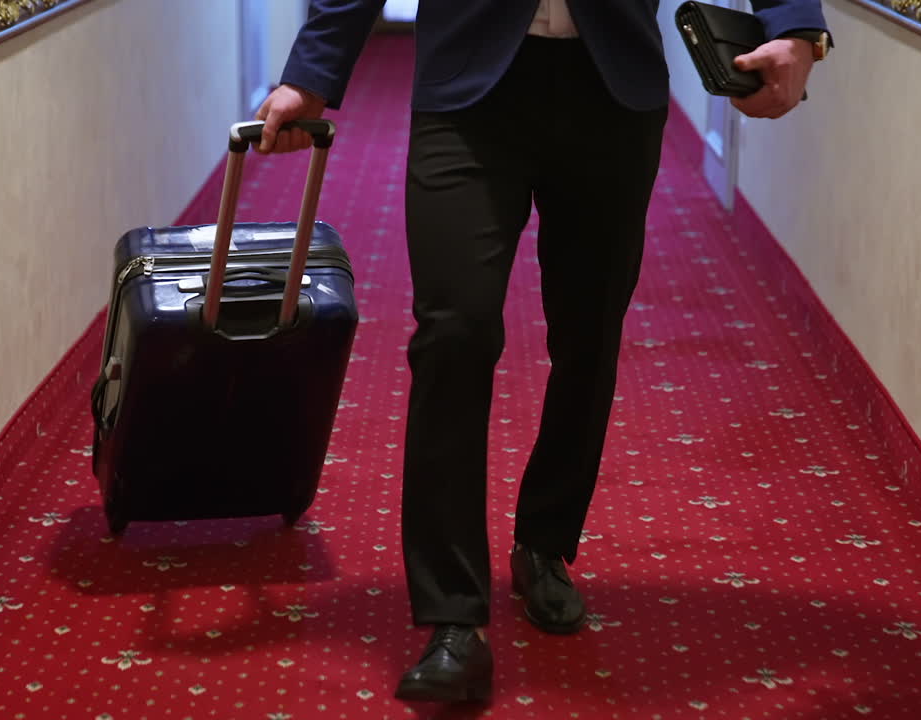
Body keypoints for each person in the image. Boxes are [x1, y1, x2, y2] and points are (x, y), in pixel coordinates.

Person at [256, 0, 831, 704]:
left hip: (611, 88)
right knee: (454, 333)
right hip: (468, 88)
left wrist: (798, 27)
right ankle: (452, 617)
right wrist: (313, 69)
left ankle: (545, 542)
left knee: (589, 335)